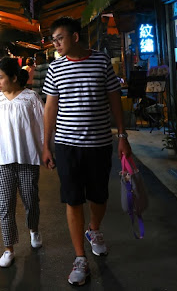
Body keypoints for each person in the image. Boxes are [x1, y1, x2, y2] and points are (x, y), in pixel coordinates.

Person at [41, 16, 131, 286]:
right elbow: (50, 109)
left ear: (75, 37)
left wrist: (122, 136)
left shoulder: (101, 61)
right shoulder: (55, 69)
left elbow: (115, 99)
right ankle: (80, 257)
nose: (55, 44)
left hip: (100, 143)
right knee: (72, 199)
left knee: (99, 196)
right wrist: (46, 145)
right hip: (67, 146)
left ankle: (94, 230)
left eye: (60, 38)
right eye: (54, 40)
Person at [0, 57, 44, 268]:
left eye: (1, 77)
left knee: (31, 200)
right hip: (1, 160)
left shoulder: (31, 98)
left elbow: (42, 126)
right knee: (5, 206)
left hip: (27, 158)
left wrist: (47, 151)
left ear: (14, 77)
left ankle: (33, 230)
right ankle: (8, 248)